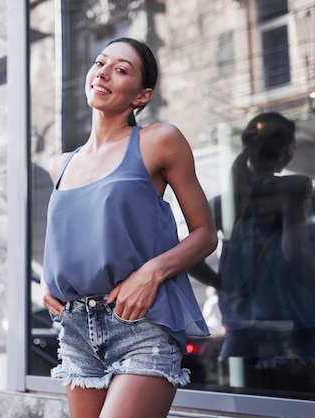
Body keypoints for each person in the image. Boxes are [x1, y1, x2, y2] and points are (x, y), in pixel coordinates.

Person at [40, 37, 218, 418]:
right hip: (75, 328)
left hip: (142, 324)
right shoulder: (61, 165)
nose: (103, 72)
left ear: (141, 96)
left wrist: (152, 272)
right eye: (100, 63)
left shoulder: (158, 141)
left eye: (121, 69)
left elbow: (205, 233)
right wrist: (49, 282)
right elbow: (69, 235)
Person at [189, 112, 315, 392]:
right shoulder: (294, 187)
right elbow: (294, 251)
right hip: (293, 333)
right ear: (285, 151)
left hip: (242, 338)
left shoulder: (224, 203)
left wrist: (224, 284)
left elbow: (189, 258)